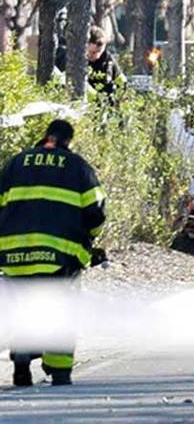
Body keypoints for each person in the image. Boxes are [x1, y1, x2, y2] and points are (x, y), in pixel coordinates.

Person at [0, 119, 106, 387]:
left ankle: (21, 367)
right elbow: (96, 212)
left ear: (44, 136)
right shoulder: (77, 167)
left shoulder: (15, 163)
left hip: (14, 255)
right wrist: (90, 241)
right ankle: (60, 374)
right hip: (60, 256)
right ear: (68, 140)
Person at [87, 26, 125, 98]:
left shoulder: (108, 60)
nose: (97, 56)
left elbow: (121, 81)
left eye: (99, 52)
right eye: (92, 52)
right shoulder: (78, 62)